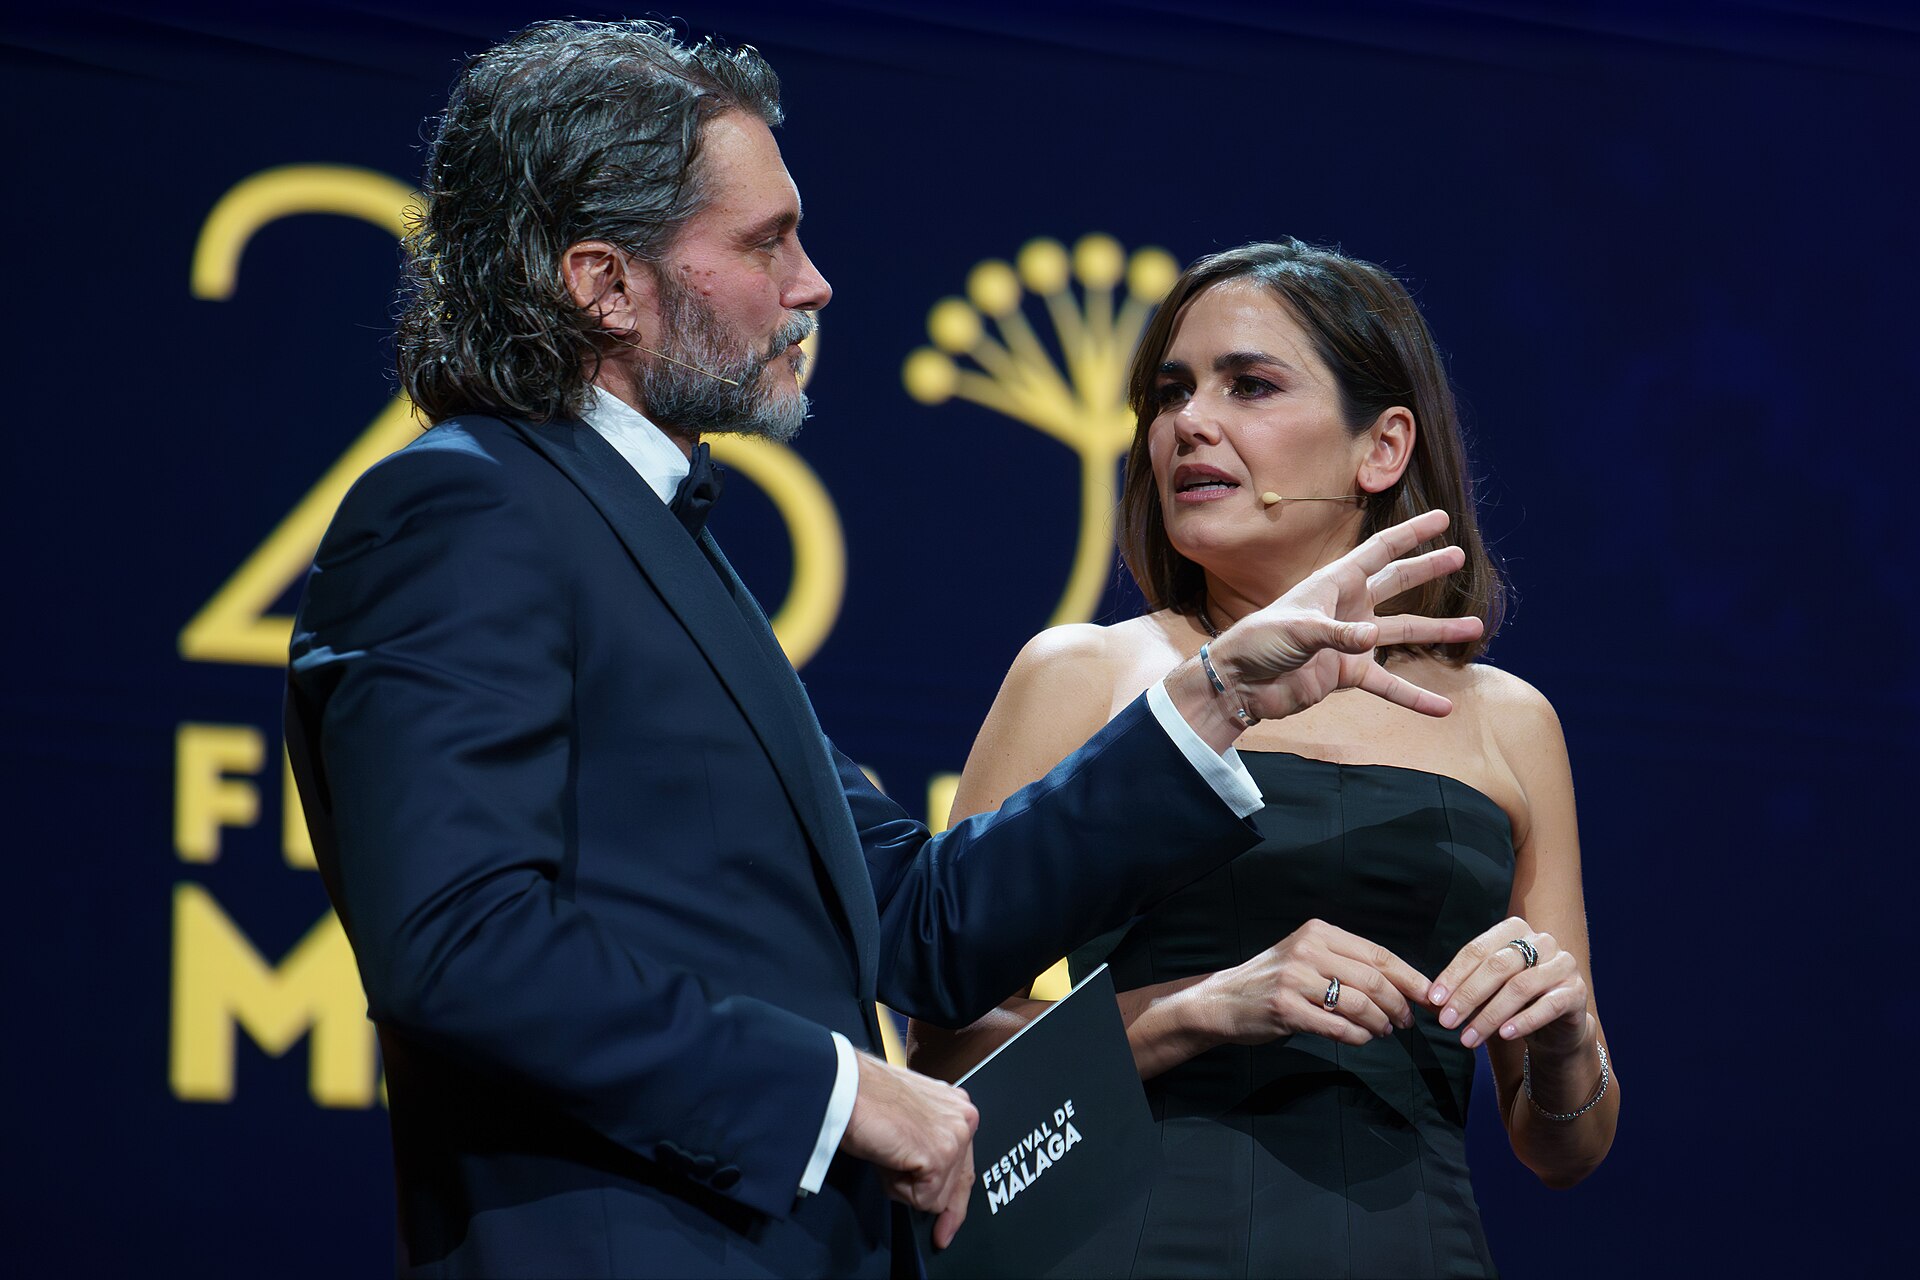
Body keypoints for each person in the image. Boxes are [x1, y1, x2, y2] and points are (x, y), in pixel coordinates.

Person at [283, 21, 1485, 1279]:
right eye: (765, 242)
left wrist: (1216, 694)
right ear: (607, 284)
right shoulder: (464, 507)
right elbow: (458, 941)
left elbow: (917, 916)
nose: (813, 284)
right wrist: (837, 1089)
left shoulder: (657, 541)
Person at [909, 240, 1619, 1277]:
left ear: (1381, 449)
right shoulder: (1084, 672)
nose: (1188, 420)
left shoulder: (1510, 721)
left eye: (1249, 384)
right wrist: (1202, 1008)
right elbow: (945, 1054)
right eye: (1169, 391)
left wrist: (1564, 1042)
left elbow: (1564, 1143)